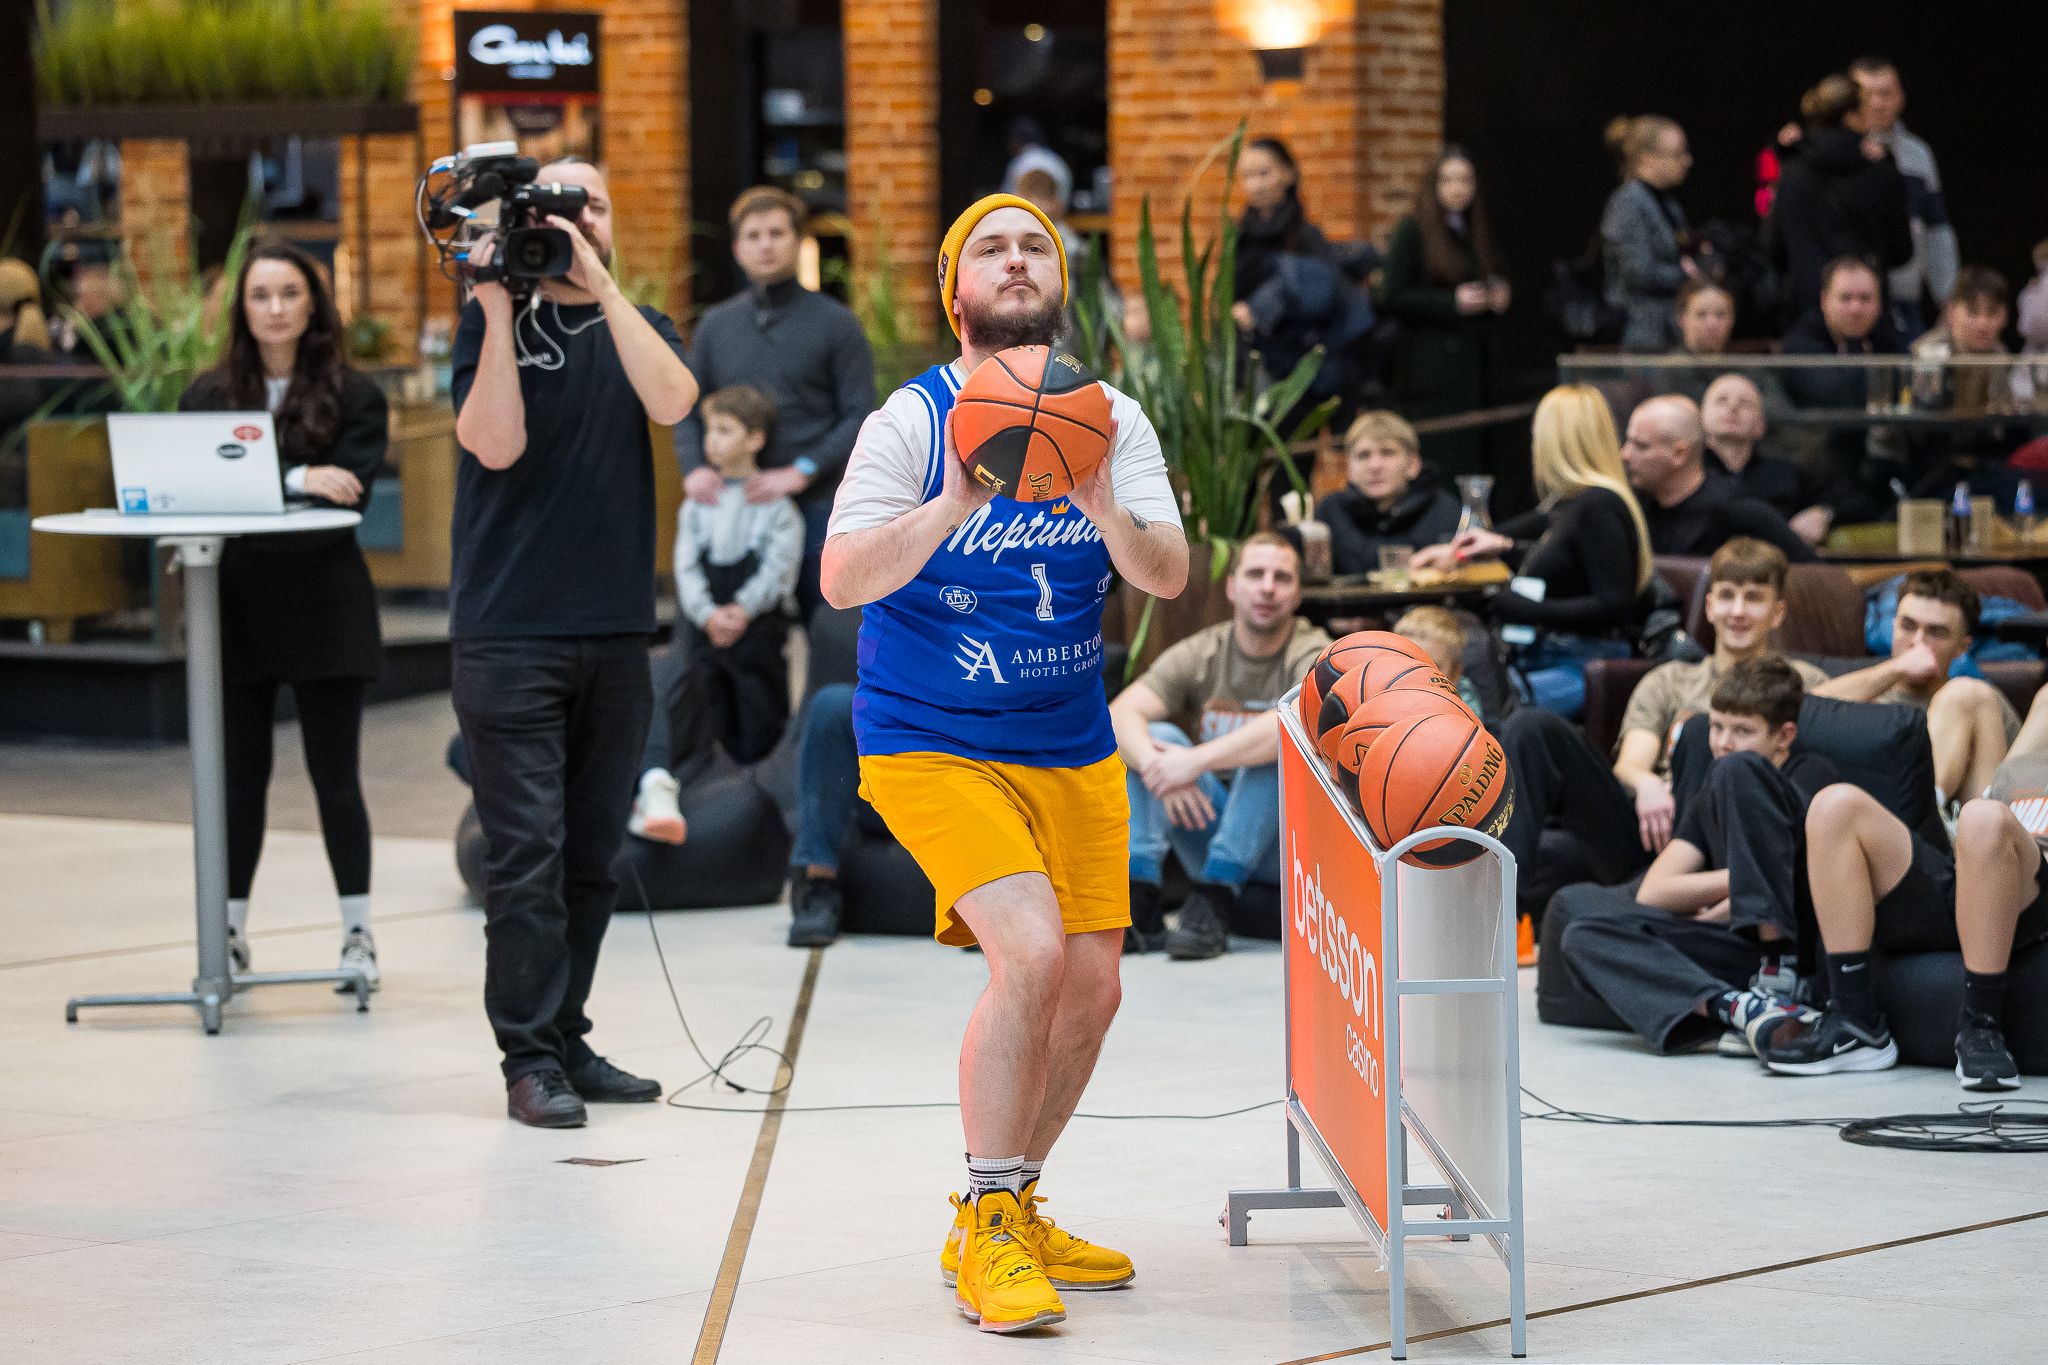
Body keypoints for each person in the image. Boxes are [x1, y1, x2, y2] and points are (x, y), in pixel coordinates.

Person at [820, 193, 1186, 1331]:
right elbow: (840, 579)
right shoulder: (910, 420)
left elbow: (1168, 573)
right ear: (956, 293)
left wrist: (1101, 507)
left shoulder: (1113, 418)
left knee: (1095, 985)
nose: (1017, 260)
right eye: (991, 247)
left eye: (1036, 246)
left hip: (1068, 739)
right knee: (1027, 954)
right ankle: (985, 1223)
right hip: (929, 735)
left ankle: (1013, 1204)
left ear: (1059, 282)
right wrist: (950, 502)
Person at [450, 159, 699, 1129]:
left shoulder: (638, 322)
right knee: (526, 858)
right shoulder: (488, 321)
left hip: (616, 628)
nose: (571, 219)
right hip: (509, 632)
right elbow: (496, 444)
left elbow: (674, 402)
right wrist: (496, 304)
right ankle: (527, 1058)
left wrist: (596, 282)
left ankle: (564, 1035)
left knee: (593, 856)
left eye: (589, 202)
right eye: (551, 206)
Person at [176, 240, 387, 988]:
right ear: (241, 307)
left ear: (313, 304)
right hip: (234, 601)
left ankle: (358, 935)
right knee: (240, 781)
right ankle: (228, 934)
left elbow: (352, 488)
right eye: (260, 295)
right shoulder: (208, 396)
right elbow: (195, 481)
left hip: (326, 600)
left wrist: (257, 483)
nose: (275, 308)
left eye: (290, 293)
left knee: (337, 778)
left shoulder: (356, 394)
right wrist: (298, 477)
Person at [1504, 539, 1829, 902]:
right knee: (1530, 727)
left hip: (1726, 840)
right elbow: (1631, 763)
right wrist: (1647, 784)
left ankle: (1686, 893)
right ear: (1709, 607)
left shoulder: (1802, 683)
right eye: (1727, 596)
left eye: (1753, 598)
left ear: (1778, 612)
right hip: (1650, 831)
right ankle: (1500, 907)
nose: (1737, 611)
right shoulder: (1670, 679)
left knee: (1699, 731)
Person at [1559, 658, 1839, 1055]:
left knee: (1740, 769)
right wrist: (1732, 892)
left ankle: (1781, 982)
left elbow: (1801, 872)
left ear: (1784, 735)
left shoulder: (1810, 774)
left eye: (1743, 730)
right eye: (1717, 726)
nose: (1723, 742)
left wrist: (1730, 894)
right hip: (1740, 948)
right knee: (1583, 935)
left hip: (1801, 948)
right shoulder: (1716, 786)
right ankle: (1739, 1010)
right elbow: (1655, 891)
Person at [1760, 738, 2048, 1086]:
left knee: (1983, 817)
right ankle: (1855, 1022)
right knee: (1833, 805)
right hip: (1968, 876)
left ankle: (1981, 1027)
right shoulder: (2017, 768)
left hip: (2029, 893)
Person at [1109, 533, 1327, 961]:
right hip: (1209, 831)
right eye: (1255, 574)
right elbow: (1120, 714)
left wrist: (1192, 763)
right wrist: (1158, 766)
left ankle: (1215, 897)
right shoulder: (1206, 649)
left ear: (1298, 595)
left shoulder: (1312, 650)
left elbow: (1298, 717)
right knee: (1156, 739)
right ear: (1231, 587)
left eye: (1282, 578)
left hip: (1282, 852)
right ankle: (1141, 898)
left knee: (1282, 741)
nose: (1267, 587)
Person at [676, 186, 874, 624]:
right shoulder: (715, 326)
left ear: (799, 240)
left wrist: (801, 471)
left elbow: (860, 416)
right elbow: (687, 410)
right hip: (735, 503)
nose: (765, 245)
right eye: (753, 235)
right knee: (743, 635)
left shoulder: (837, 323)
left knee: (830, 626)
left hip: (818, 501)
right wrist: (694, 469)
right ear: (737, 249)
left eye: (777, 233)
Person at [630, 385, 803, 844]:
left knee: (759, 708)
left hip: (757, 627)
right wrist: (707, 613)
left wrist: (743, 609)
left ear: (755, 439)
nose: (711, 440)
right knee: (703, 703)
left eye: (725, 430)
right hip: (704, 625)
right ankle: (708, 809)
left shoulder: (777, 507)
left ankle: (763, 815)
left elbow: (779, 567)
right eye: (709, 430)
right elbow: (685, 564)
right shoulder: (698, 504)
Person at [1414, 385, 1652, 719]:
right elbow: (1514, 537)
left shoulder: (1600, 506)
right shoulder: (1567, 505)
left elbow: (1615, 604)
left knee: (1465, 704)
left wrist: (1527, 610)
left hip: (1580, 665)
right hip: (1547, 659)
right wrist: (1460, 550)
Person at [1811, 569, 2018, 816]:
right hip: (1876, 819)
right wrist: (1896, 668)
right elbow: (1803, 714)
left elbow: (2022, 782)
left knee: (1970, 693)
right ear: (1893, 627)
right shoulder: (1862, 690)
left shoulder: (1983, 700)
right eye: (1907, 627)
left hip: (1966, 828)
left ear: (1962, 647)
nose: (1918, 642)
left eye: (1936, 632)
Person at [1377, 146, 1509, 475]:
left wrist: (1495, 294)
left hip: (1474, 369)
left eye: (1465, 180)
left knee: (1472, 460)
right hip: (1431, 372)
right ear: (1433, 185)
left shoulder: (1472, 229)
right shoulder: (1413, 229)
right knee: (1442, 458)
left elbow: (1484, 274)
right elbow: (1389, 296)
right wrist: (1452, 302)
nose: (1457, 189)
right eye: (1448, 180)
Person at [1765, 74, 1912, 331]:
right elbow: (1901, 252)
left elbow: (1771, 248)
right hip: (1868, 324)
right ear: (1851, 116)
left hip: (1806, 321)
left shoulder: (1791, 172)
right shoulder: (1881, 173)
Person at [1781, 257, 1908, 524]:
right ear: (1825, 300)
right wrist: (1864, 364)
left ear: (1879, 304)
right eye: (1845, 298)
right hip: (1813, 466)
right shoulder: (1801, 342)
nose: (1855, 308)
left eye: (1865, 299)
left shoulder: (1887, 340)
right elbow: (1836, 397)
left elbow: (1907, 388)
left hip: (1878, 462)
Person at [1620, 394, 1815, 562]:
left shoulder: (1738, 511)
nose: (1625, 454)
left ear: (1679, 454)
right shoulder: (1634, 506)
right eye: (1628, 441)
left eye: (1641, 446)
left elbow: (1815, 574)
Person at [1849, 55, 1958, 340]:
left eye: (1885, 94)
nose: (1877, 103)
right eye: (1867, 95)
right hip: (1851, 303)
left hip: (1905, 300)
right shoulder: (1836, 153)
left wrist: (1948, 296)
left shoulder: (1918, 155)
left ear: (1900, 98)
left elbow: (1936, 230)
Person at [1315, 410, 1460, 575]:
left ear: (1413, 465)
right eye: (1363, 455)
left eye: (1387, 453)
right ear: (1349, 468)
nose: (1375, 466)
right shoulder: (1330, 512)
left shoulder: (1445, 510)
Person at [1601, 115, 1702, 351]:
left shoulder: (1667, 204)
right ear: (1648, 157)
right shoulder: (1627, 202)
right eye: (1677, 154)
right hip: (1640, 336)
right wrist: (1690, 276)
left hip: (1669, 330)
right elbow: (1639, 271)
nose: (1688, 161)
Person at [1701, 374, 1831, 543]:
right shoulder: (1685, 474)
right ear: (1700, 416)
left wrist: (1822, 513)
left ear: (1760, 425)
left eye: (1745, 403)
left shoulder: (1786, 474)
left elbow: (1850, 502)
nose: (1733, 407)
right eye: (1721, 400)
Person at [1392, 605, 1487, 718]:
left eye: (1430, 669)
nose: (1416, 678)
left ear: (1455, 674)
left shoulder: (1465, 711)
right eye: (1407, 666)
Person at [1001, 115, 1072, 210]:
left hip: (1025, 217)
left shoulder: (1019, 163)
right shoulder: (1057, 161)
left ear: (1015, 141)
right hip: (1056, 219)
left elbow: (1006, 203)